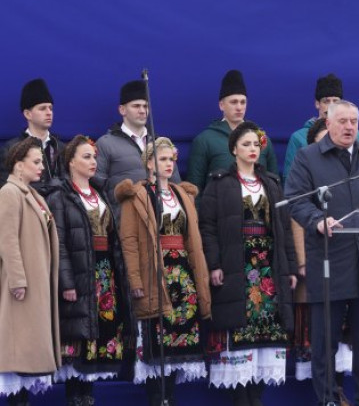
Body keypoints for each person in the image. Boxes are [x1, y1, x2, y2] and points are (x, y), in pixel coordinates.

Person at [285, 100, 359, 406]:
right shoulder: (308, 157)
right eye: (343, 121)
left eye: (354, 121)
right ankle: (327, 400)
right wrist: (318, 220)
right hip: (330, 263)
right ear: (328, 123)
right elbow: (296, 199)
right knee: (325, 344)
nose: (349, 127)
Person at [199, 122, 296, 406]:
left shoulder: (272, 184)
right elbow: (208, 227)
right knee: (239, 335)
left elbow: (285, 228)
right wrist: (214, 264)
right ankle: (241, 400)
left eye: (256, 144)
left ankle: (257, 399)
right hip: (236, 265)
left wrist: (289, 267)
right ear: (233, 149)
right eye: (246, 144)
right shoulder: (219, 184)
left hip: (268, 267)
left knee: (267, 337)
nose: (253, 149)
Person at [115, 138, 211, 405]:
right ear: (149, 163)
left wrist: (199, 279)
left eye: (172, 159)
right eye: (163, 159)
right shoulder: (137, 196)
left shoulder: (182, 195)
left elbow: (194, 241)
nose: (169, 164)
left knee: (178, 349)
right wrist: (135, 280)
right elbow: (129, 242)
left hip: (183, 277)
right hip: (155, 275)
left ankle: (170, 398)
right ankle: (158, 399)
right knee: (157, 348)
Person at [46, 135, 135, 406]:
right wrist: (67, 283)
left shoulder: (101, 193)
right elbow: (59, 243)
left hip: (105, 273)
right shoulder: (61, 196)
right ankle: (74, 398)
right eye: (86, 157)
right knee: (79, 344)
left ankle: (88, 397)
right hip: (80, 274)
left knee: (98, 343)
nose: (93, 161)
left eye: (94, 157)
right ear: (71, 162)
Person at [0, 138, 61, 405]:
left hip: (36, 282)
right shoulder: (9, 193)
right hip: (22, 286)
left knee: (27, 359)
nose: (42, 167)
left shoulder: (32, 194)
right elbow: (7, 240)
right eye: (36, 162)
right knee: (19, 355)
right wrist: (17, 280)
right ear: (18, 165)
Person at [95, 80, 181, 221]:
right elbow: (97, 188)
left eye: (145, 106)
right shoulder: (106, 144)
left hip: (161, 223)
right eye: (136, 106)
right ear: (122, 110)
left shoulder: (161, 145)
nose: (142, 110)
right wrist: (113, 221)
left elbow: (176, 186)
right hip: (125, 223)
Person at [187, 70, 278, 191]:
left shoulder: (261, 139)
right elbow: (193, 190)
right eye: (233, 102)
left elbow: (275, 185)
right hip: (219, 202)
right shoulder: (204, 141)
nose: (239, 107)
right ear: (221, 105)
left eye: (243, 102)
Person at [282, 73, 359, 181]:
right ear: (317, 104)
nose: (331, 105)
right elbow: (290, 177)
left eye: (335, 101)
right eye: (326, 101)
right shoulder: (298, 137)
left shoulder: (357, 136)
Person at [0, 78, 65, 196]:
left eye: (50, 108)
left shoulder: (61, 148)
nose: (49, 112)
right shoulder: (11, 149)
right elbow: (6, 188)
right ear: (27, 114)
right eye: (42, 108)